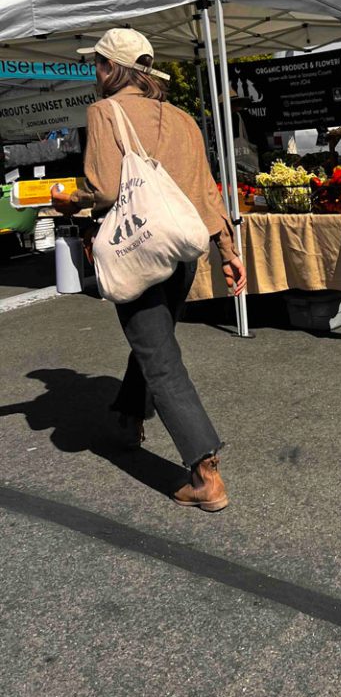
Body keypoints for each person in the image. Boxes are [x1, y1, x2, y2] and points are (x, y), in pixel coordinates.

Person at [52, 28, 246, 513]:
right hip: (183, 248)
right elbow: (206, 189)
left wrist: (66, 201)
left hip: (137, 247)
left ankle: (205, 474)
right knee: (153, 341)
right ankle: (127, 414)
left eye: (97, 64)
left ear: (112, 68)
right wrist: (229, 247)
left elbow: (101, 189)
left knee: (160, 356)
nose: (95, 73)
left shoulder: (105, 111)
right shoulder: (183, 118)